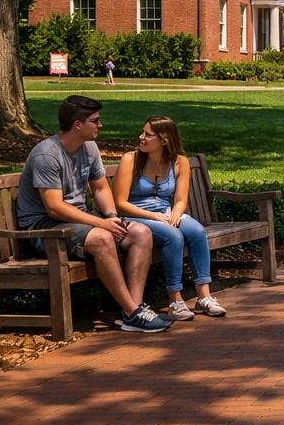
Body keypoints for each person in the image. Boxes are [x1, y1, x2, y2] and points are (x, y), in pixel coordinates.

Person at [14, 95, 170, 333]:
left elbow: (99, 187)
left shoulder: (89, 148)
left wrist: (110, 216)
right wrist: (101, 224)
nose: (100, 125)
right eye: (95, 121)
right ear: (78, 125)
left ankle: (135, 310)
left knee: (141, 233)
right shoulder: (47, 155)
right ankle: (132, 311)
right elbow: (54, 207)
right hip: (43, 229)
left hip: (77, 222)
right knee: (102, 238)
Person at [114, 116, 226, 320]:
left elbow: (181, 199)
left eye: (148, 135)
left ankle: (204, 297)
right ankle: (175, 300)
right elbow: (120, 203)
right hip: (136, 216)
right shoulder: (130, 159)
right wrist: (154, 216)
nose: (141, 137)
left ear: (164, 140)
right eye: (142, 132)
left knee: (196, 231)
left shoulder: (179, 162)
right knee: (173, 236)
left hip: (165, 214)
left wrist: (175, 213)